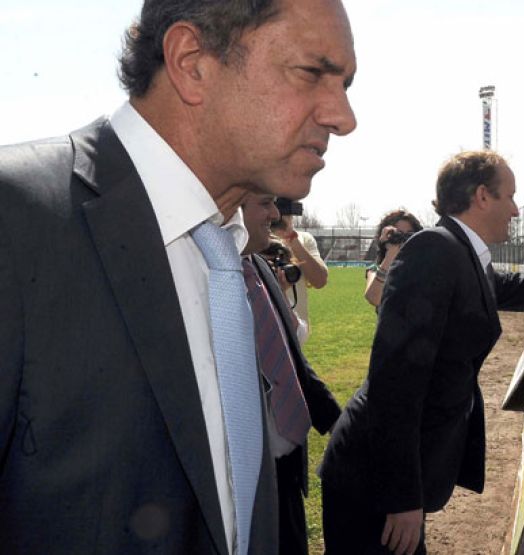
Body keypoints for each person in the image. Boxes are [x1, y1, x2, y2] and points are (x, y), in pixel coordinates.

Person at [0, 0, 356, 553]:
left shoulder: (230, 251)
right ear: (192, 61)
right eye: (313, 72)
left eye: (346, 84)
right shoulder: (16, 220)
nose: (343, 117)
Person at [319, 150, 524, 554]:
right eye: (510, 197)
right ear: (482, 196)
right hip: (371, 481)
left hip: (388, 475)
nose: (515, 211)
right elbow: (393, 383)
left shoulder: (460, 253)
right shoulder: (433, 250)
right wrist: (401, 497)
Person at [241, 193, 342, 555]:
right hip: (245, 466)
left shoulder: (260, 268)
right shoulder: (209, 274)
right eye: (264, 203)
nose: (275, 214)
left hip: (286, 459)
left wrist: (338, 423)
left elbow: (288, 356)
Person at [272, 200, 329, 345]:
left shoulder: (304, 239)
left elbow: (320, 280)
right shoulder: (253, 239)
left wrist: (293, 240)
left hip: (295, 333)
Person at [365, 209, 424, 308]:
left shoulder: (423, 267)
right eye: (398, 234)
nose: (404, 239)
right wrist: (391, 252)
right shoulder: (375, 269)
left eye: (409, 235)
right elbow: (374, 298)